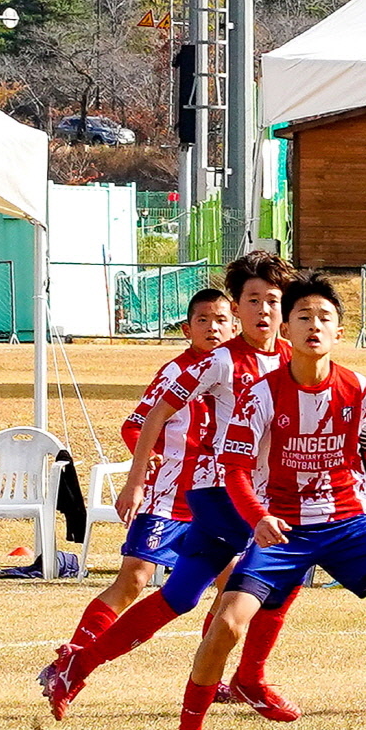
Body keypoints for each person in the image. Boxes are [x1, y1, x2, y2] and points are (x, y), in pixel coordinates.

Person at [156, 275, 366, 730]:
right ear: (286, 330)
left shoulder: (358, 389)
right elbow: (235, 470)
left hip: (349, 524)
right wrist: (259, 518)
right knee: (226, 624)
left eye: (325, 318)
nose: (314, 326)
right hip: (284, 529)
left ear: (339, 332)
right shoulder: (259, 393)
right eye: (303, 317)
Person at [41, 252, 301, 722]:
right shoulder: (219, 361)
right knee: (256, 582)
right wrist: (137, 481)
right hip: (221, 495)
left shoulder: (291, 356)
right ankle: (247, 679)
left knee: (185, 595)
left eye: (273, 301)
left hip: (251, 496)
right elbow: (154, 414)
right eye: (252, 300)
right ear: (238, 308)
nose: (263, 310)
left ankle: (79, 664)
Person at [41, 289, 235, 688]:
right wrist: (147, 462)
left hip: (216, 499)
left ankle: (209, 678)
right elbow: (134, 424)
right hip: (168, 496)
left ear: (234, 325)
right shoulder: (174, 373)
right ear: (187, 329)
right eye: (203, 320)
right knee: (134, 577)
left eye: (220, 320)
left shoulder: (240, 371)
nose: (212, 327)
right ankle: (71, 662)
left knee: (233, 585)